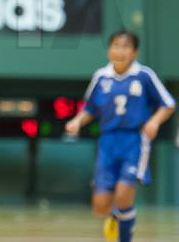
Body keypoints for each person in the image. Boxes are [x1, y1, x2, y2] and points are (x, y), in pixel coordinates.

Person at [66, 30, 175, 242]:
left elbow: (168, 104)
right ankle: (117, 217)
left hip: (134, 141)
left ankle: (125, 237)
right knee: (100, 206)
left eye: (126, 47)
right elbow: (90, 108)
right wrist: (77, 121)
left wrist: (153, 121)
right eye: (116, 46)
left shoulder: (144, 75)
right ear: (108, 50)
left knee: (124, 194)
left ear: (134, 52)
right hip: (107, 142)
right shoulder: (101, 76)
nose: (120, 51)